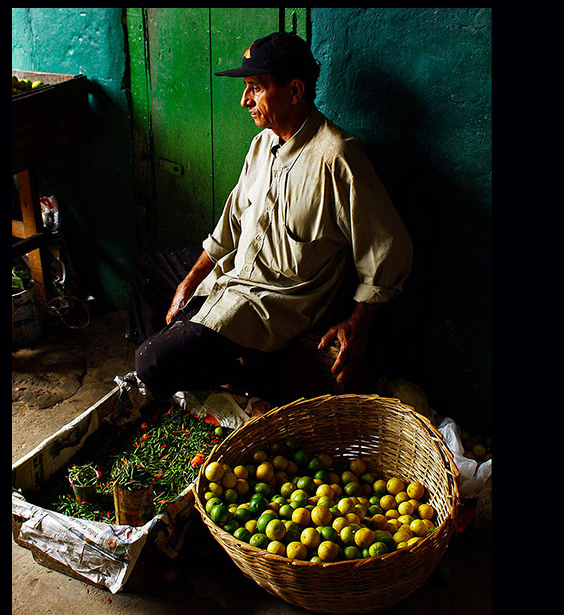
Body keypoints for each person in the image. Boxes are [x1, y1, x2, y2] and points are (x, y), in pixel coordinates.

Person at [131, 31, 413, 401]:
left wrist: (357, 323)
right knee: (148, 268)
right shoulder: (263, 144)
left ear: (295, 91)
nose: (245, 99)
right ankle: (167, 386)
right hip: (235, 274)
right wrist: (191, 279)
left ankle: (236, 378)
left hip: (270, 305)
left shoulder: (337, 158)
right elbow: (230, 225)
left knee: (151, 361)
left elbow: (388, 250)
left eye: (255, 87)